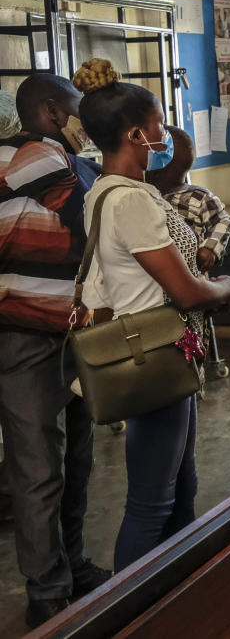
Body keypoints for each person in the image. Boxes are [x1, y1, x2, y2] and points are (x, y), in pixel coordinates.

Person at [75, 65, 230, 574]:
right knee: (151, 504)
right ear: (134, 134)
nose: (163, 136)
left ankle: (177, 596)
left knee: (181, 485)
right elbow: (187, 292)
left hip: (169, 350)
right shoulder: (131, 202)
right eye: (159, 126)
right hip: (150, 353)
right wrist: (228, 289)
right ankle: (131, 611)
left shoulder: (103, 191)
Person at [0, 73, 110, 628]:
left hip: (66, 330)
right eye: (77, 113)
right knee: (40, 466)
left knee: (75, 458)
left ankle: (71, 566)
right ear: (50, 112)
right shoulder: (35, 155)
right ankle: (48, 590)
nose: (84, 124)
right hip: (29, 335)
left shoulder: (45, 157)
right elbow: (96, 206)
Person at [145, 125, 230, 272]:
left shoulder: (198, 197)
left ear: (156, 171)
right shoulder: (142, 194)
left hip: (191, 271)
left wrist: (210, 249)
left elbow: (222, 220)